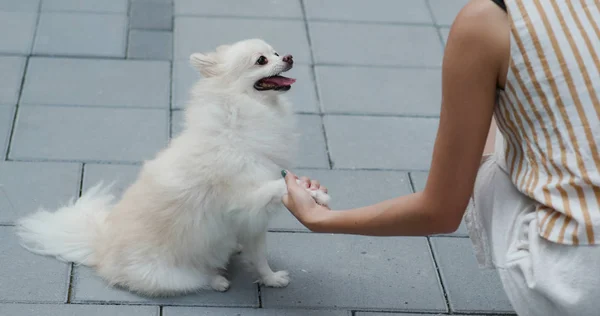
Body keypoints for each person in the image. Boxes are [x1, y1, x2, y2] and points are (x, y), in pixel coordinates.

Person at [280, 0, 600, 315]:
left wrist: (320, 219)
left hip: (582, 280)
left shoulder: (489, 21)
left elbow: (440, 212)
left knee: (492, 156)